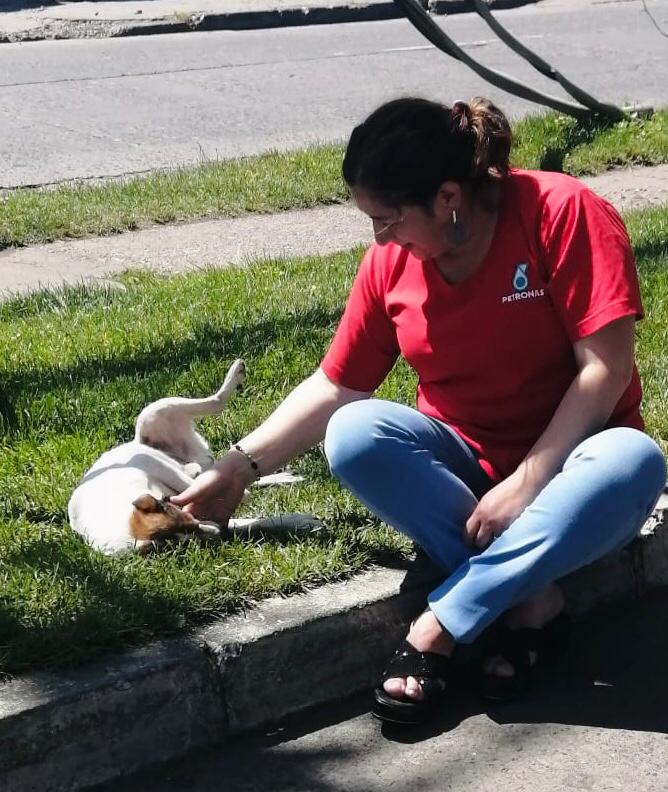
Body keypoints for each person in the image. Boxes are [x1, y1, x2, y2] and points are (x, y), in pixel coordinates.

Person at [172, 96, 666, 725]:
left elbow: (606, 371)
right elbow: (336, 387)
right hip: (464, 477)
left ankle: (442, 622)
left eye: (389, 217)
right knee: (354, 433)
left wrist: (528, 482)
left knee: (635, 460)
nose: (380, 236)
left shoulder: (562, 211)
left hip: (573, 474)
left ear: (448, 198)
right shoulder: (390, 261)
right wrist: (239, 466)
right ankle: (531, 598)